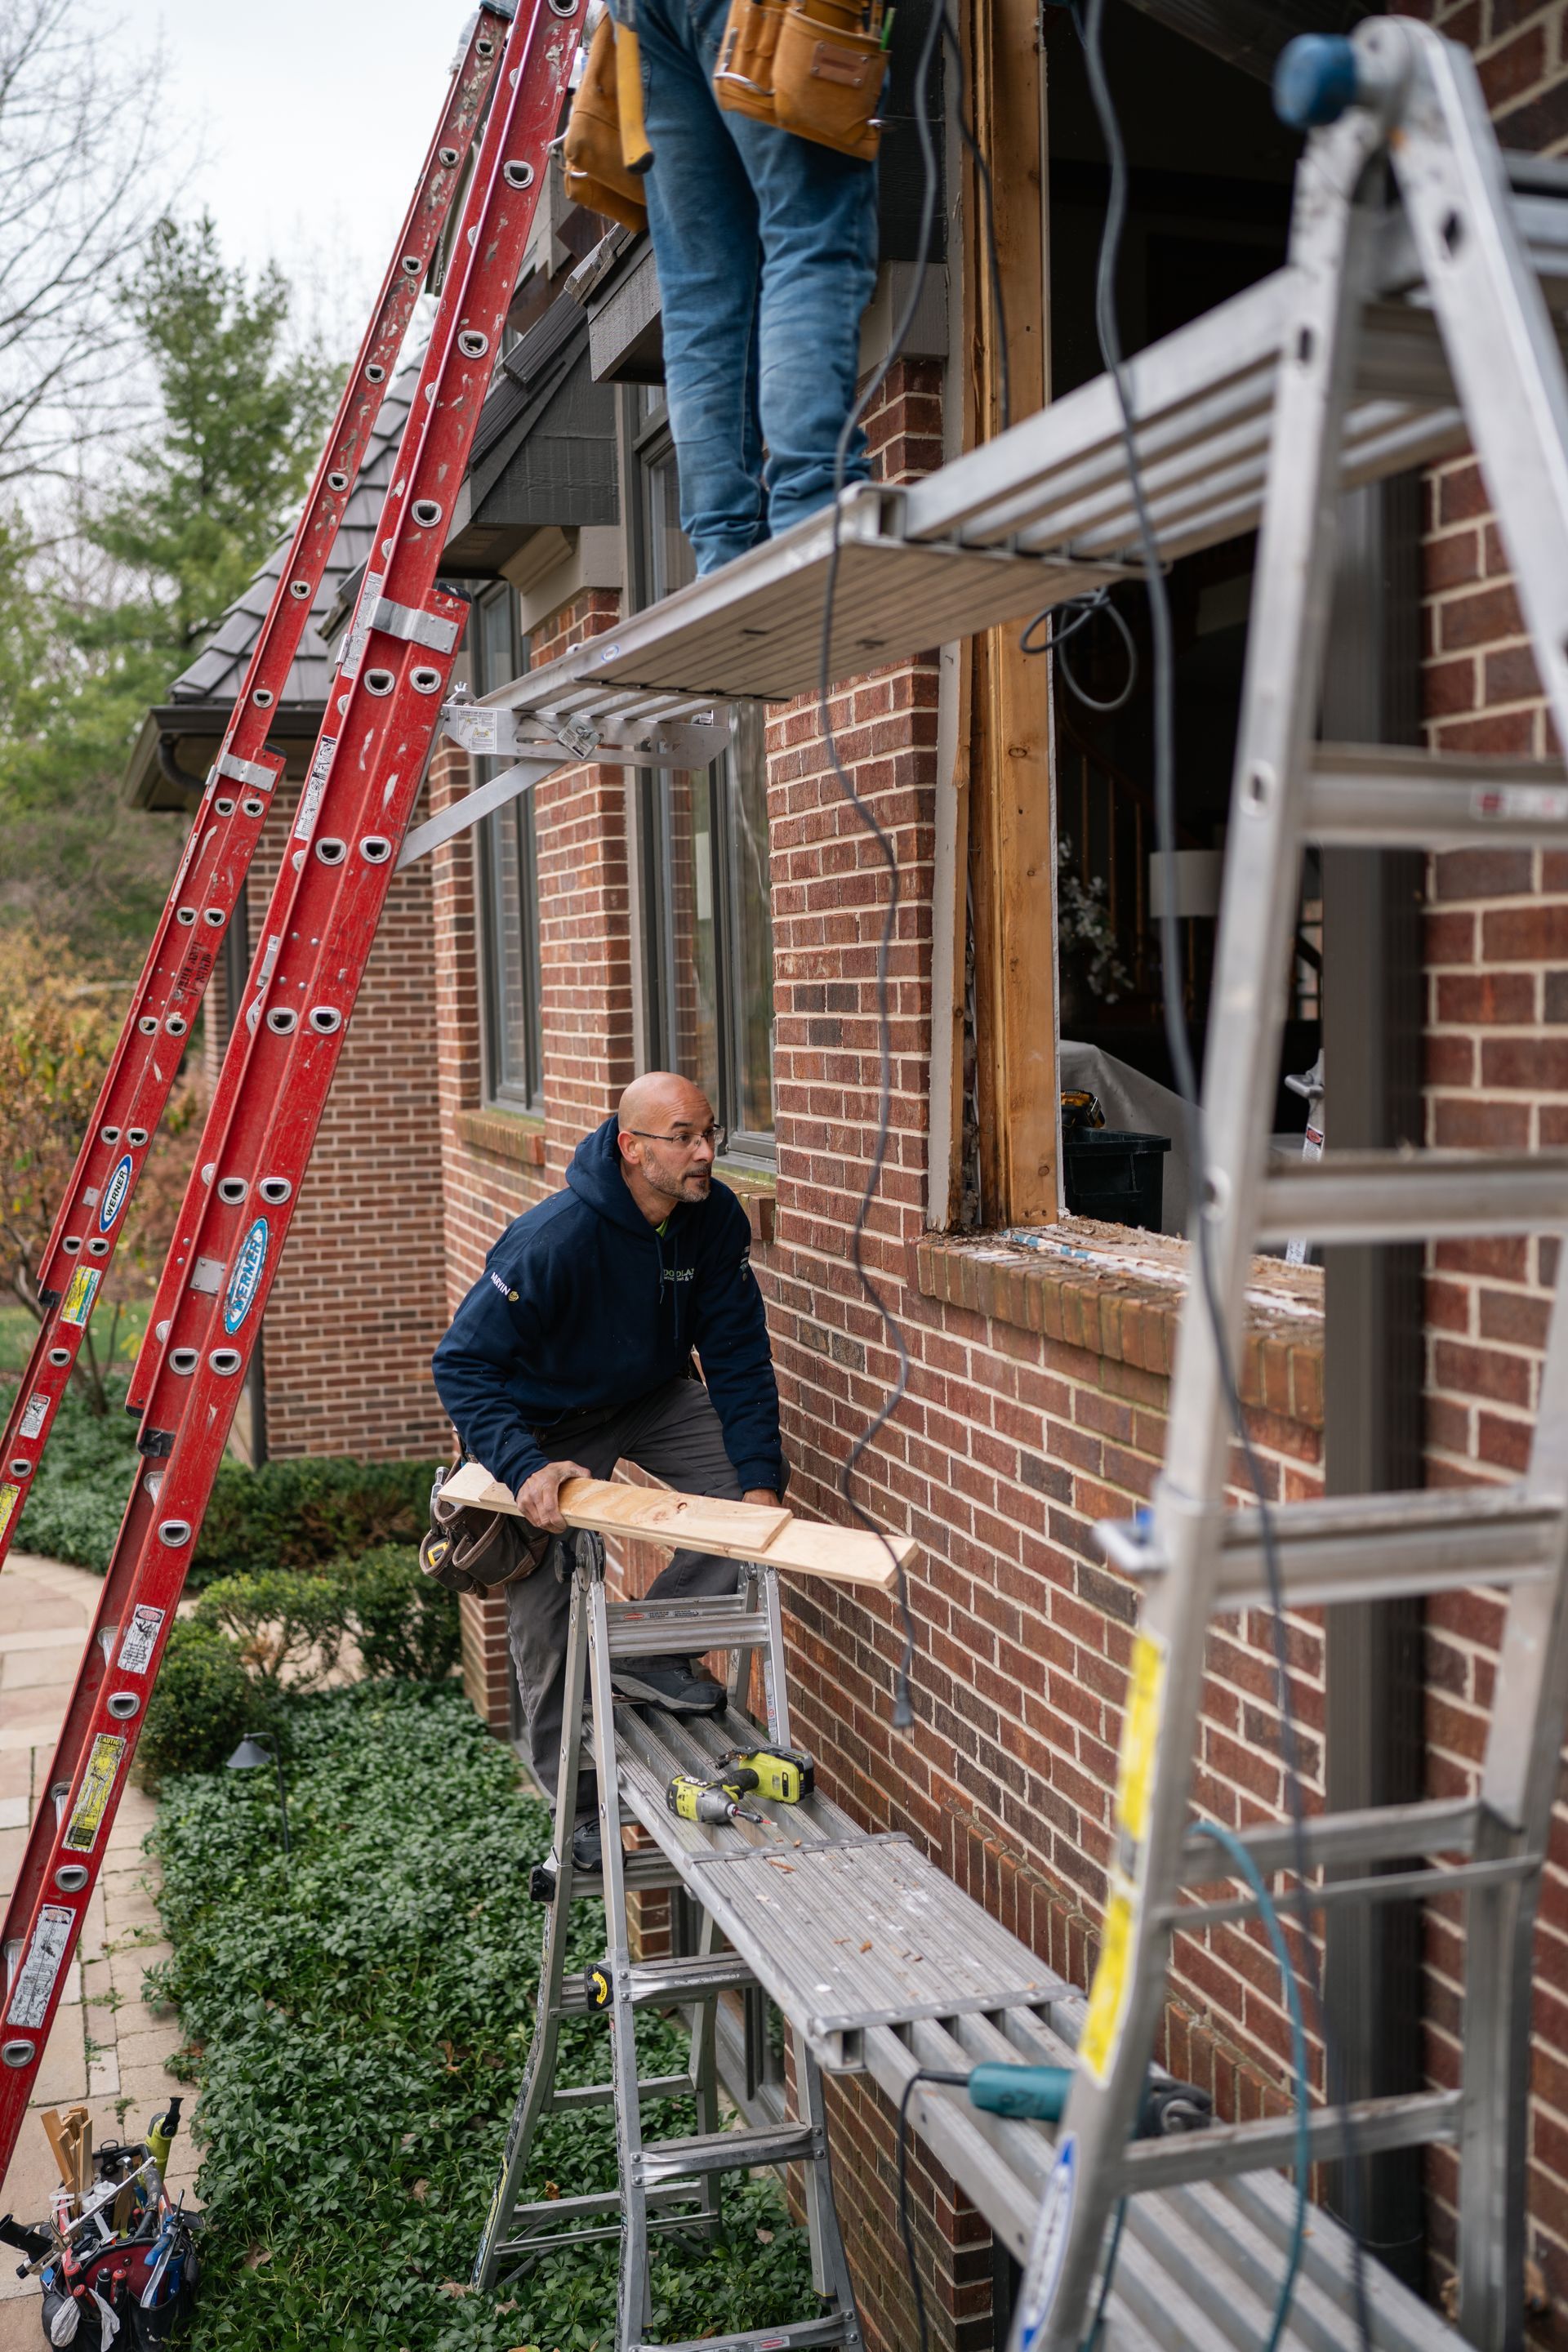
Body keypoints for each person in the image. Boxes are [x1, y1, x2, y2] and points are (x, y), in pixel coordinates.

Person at [431, 1072, 784, 1869]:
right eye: (685, 1138)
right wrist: (523, 1467)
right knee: (545, 1621)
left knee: (740, 1489)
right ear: (633, 1148)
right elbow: (462, 1365)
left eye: (711, 1135)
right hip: (544, 1427)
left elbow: (736, 1355)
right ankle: (579, 1805)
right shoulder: (555, 1241)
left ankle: (654, 1654)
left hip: (648, 1396)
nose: (705, 1154)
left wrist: (759, 1482)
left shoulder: (711, 1219)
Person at [627, 0, 880, 574]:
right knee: (808, 232)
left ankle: (722, 546)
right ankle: (813, 502)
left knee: (699, 299)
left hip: (643, 22)